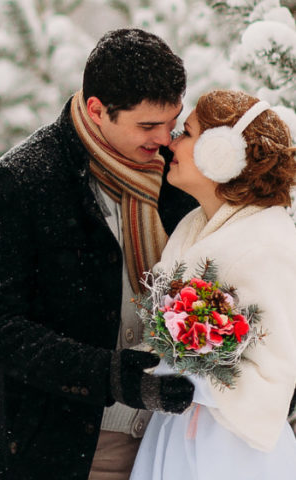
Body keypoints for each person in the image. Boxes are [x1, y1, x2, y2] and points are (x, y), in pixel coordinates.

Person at [0, 28, 199, 479]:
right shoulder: (22, 181)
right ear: (97, 109)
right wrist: (107, 374)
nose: (165, 139)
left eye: (172, 121)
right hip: (73, 452)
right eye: (147, 126)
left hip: (176, 444)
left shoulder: (179, 178)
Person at [129, 89, 296, 479]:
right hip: (178, 431)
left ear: (221, 153)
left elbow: (277, 371)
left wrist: (196, 377)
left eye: (186, 133)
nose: (172, 142)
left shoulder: (269, 242)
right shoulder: (194, 224)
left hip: (231, 449)